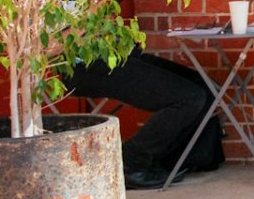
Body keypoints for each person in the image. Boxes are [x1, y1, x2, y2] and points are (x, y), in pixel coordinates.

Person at [66, 49, 226, 189]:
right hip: (84, 68)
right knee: (190, 98)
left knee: (206, 87)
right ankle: (131, 162)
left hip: (116, 56)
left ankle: (166, 159)